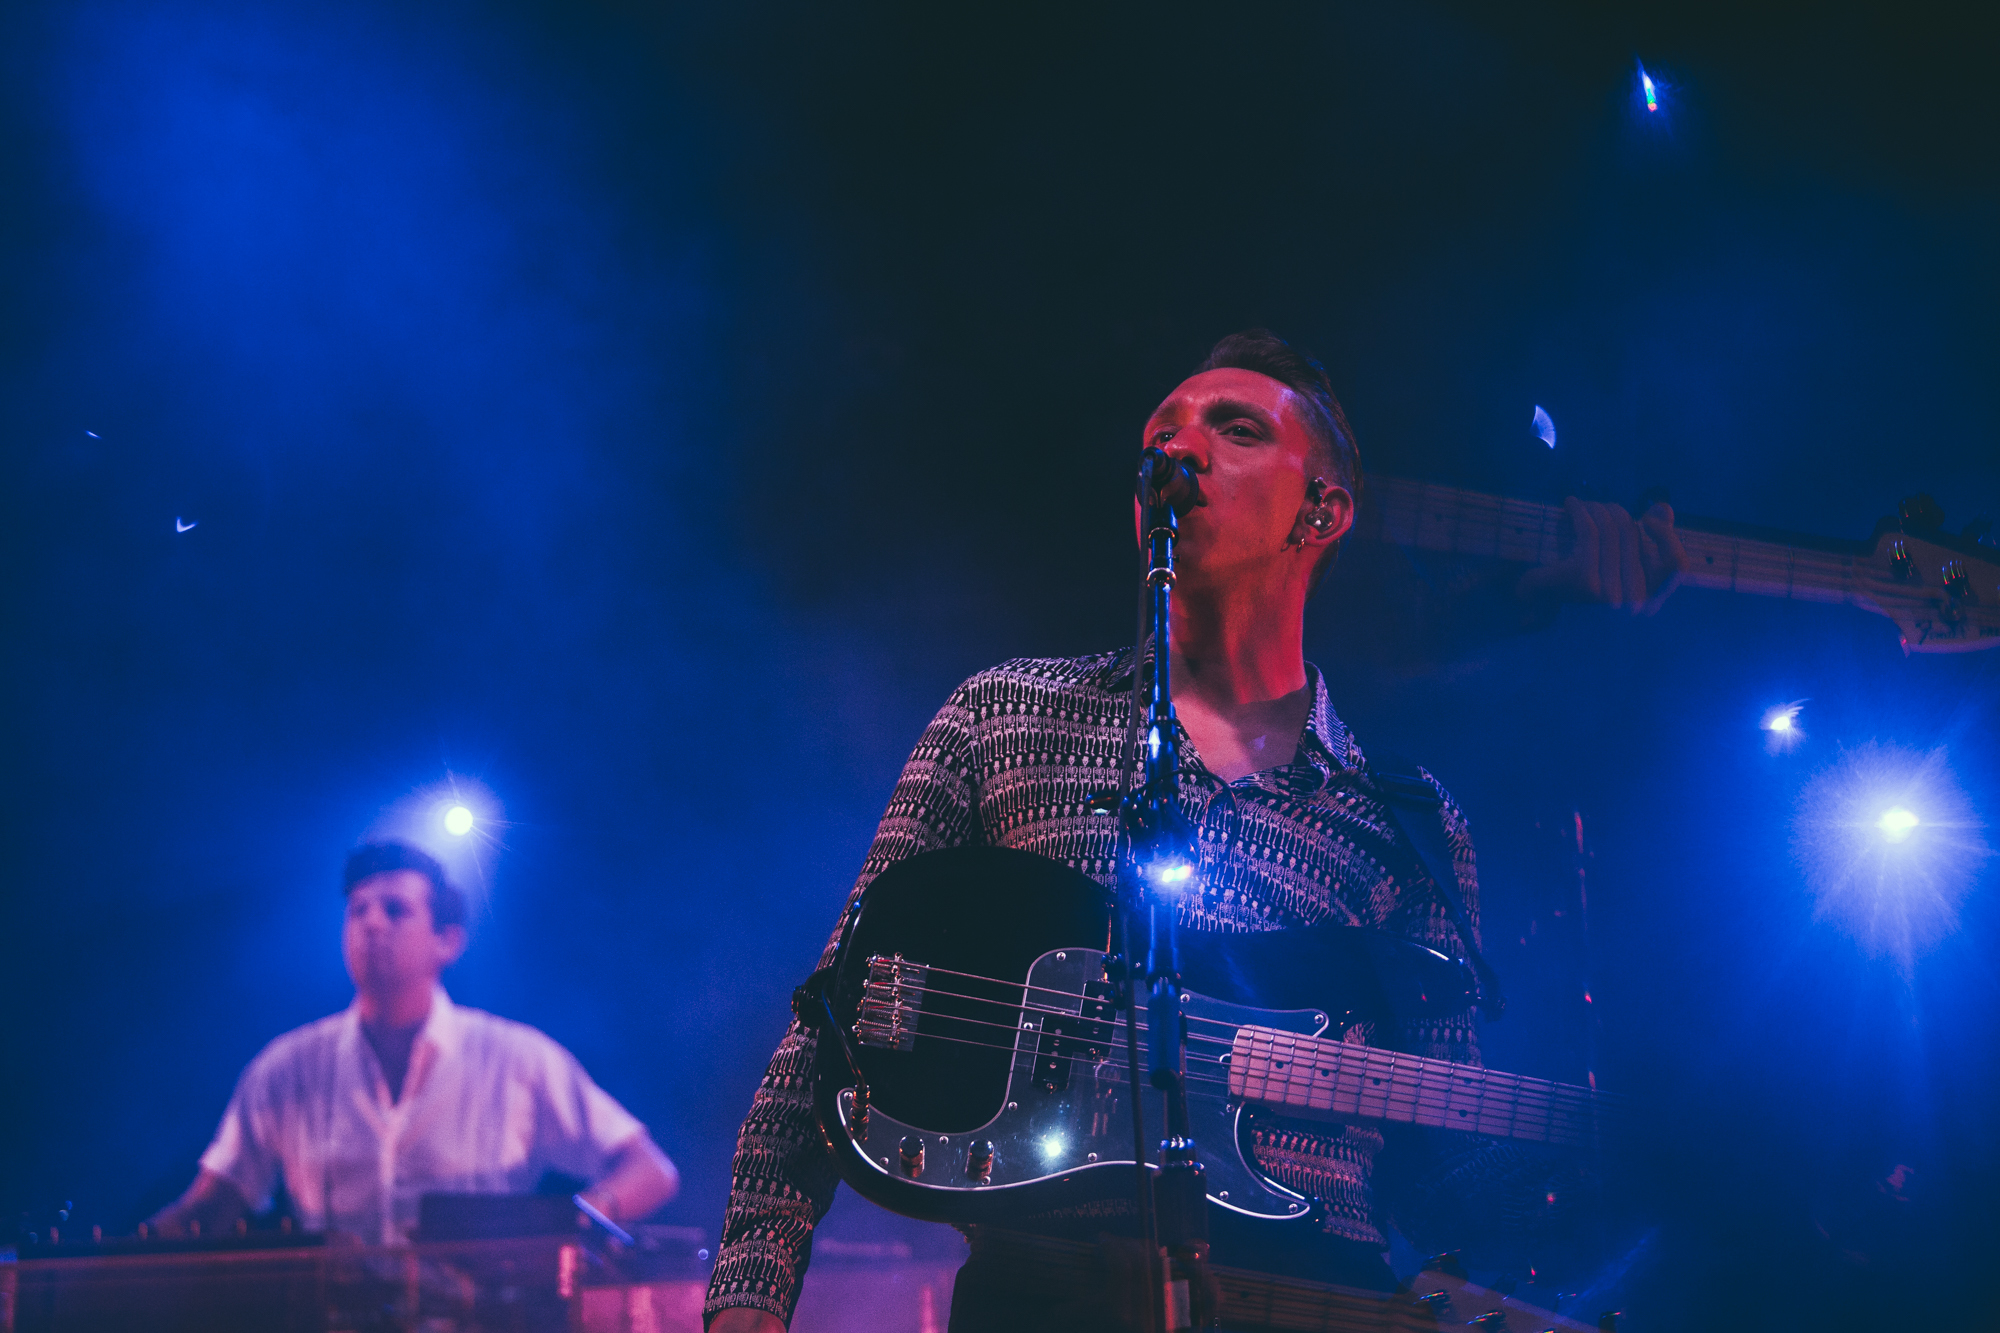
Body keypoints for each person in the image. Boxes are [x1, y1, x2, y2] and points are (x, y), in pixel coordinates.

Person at [704, 331, 1685, 1332]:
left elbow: (1446, 1155)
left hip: (1308, 1301)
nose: (1180, 448)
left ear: (1322, 509)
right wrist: (749, 1293)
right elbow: (827, 1024)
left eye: (1236, 429)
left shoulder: (1410, 824)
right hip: (1040, 1299)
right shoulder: (1002, 719)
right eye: (1160, 433)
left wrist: (1524, 1254)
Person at [148, 841, 679, 1245]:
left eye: (395, 909)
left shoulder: (517, 1059)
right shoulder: (285, 1071)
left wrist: (564, 1226)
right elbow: (214, 1204)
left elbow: (651, 1171)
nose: (371, 923)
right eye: (357, 910)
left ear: (447, 941)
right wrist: (104, 1265)